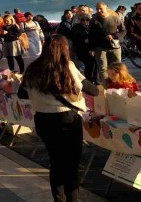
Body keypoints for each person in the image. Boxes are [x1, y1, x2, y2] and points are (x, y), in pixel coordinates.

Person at [18, 35, 99, 202]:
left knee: (55, 162)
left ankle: (59, 199)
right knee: (71, 165)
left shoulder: (33, 68)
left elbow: (22, 93)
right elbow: (93, 90)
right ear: (65, 49)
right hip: (66, 119)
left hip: (42, 119)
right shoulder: (68, 67)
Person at [89, 2, 126, 82]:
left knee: (117, 67)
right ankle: (107, 85)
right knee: (103, 68)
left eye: (101, 8)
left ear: (107, 9)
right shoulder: (93, 20)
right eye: (97, 9)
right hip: (100, 47)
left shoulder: (115, 18)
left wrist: (114, 36)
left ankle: (118, 82)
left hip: (114, 46)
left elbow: (123, 31)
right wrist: (91, 48)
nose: (98, 10)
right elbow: (91, 35)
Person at [70, 13, 95, 81]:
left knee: (94, 66)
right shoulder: (76, 27)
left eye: (87, 20)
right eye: (83, 20)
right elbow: (73, 38)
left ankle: (94, 80)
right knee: (87, 65)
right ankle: (87, 80)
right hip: (81, 49)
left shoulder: (93, 26)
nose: (85, 21)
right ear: (80, 21)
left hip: (93, 49)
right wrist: (83, 40)